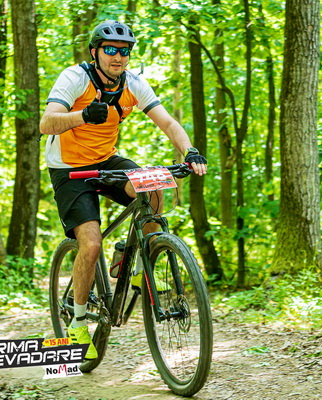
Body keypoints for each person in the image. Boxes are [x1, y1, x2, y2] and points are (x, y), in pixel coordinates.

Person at [40, 20, 207, 360]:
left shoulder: (133, 84)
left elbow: (168, 122)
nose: (118, 57)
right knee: (90, 245)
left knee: (154, 185)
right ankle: (79, 322)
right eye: (110, 50)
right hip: (69, 169)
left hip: (106, 159)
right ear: (95, 52)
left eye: (124, 51)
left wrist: (189, 151)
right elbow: (47, 123)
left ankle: (138, 266)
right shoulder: (75, 78)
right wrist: (83, 115)